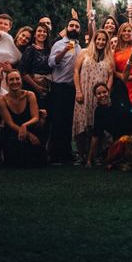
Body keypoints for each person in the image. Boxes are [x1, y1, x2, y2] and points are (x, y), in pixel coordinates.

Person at [86, 82, 132, 170]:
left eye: (104, 92)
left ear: (108, 92)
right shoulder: (98, 112)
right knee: (112, 156)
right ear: (95, 96)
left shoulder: (119, 100)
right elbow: (96, 135)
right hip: (121, 142)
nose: (102, 95)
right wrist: (89, 160)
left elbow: (123, 80)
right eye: (99, 93)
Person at [72, 30, 114, 164]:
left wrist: (106, 94)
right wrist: (78, 90)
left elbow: (111, 76)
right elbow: (75, 71)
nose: (101, 42)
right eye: (98, 39)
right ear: (94, 40)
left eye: (104, 40)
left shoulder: (109, 56)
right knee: (82, 123)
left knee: (98, 125)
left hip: (100, 95)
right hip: (84, 92)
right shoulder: (84, 52)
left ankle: (96, 155)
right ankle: (80, 154)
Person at [48, 18, 82, 163]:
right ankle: (55, 154)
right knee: (57, 121)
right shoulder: (58, 44)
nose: (74, 28)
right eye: (71, 26)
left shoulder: (80, 47)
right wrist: (64, 51)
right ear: (67, 28)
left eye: (77, 26)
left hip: (72, 88)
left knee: (68, 122)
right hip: (59, 87)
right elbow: (51, 62)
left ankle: (66, 152)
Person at [0, 70, 46, 167]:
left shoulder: (30, 95)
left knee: (37, 160)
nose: (14, 82)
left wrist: (25, 125)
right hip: (13, 132)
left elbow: (35, 117)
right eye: (11, 80)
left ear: (21, 81)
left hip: (29, 128)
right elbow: (9, 123)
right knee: (15, 161)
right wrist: (28, 134)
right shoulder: (1, 99)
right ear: (7, 83)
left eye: (17, 79)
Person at [20, 24, 52, 109]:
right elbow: (23, 72)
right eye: (39, 31)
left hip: (48, 87)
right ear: (34, 34)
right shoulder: (30, 49)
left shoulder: (49, 50)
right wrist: (37, 87)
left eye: (45, 32)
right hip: (33, 87)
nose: (42, 33)